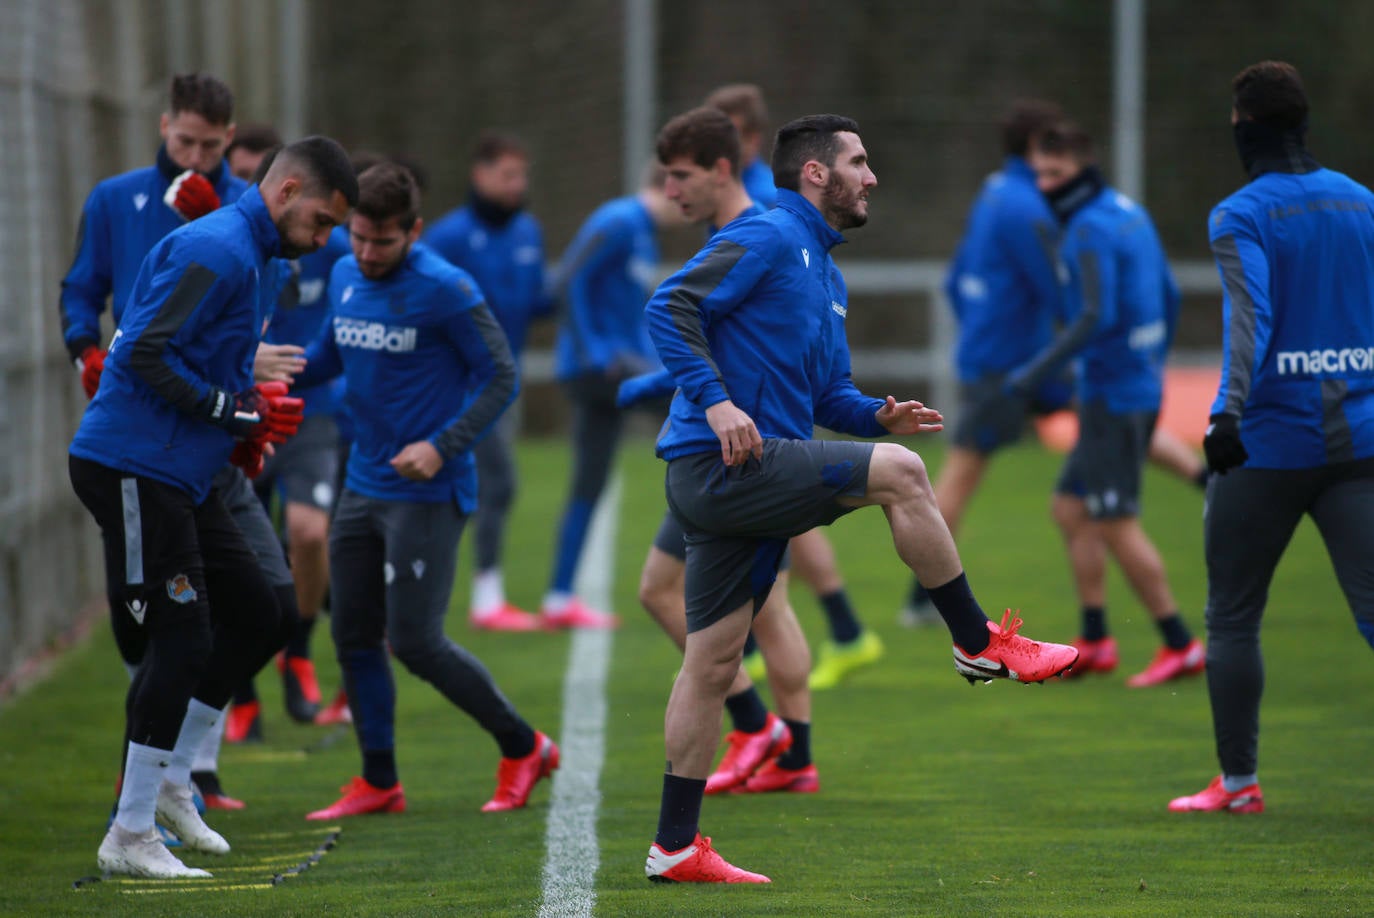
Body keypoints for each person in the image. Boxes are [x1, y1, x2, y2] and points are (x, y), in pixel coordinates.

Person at [640, 114, 1078, 884]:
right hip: (720, 464)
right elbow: (669, 307)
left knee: (709, 664)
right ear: (815, 173)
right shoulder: (772, 235)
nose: (872, 177)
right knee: (906, 474)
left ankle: (674, 845)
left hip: (739, 474)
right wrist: (714, 400)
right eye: (859, 162)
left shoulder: (826, 274)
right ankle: (977, 641)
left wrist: (875, 414)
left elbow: (826, 394)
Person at [69, 135, 357, 878]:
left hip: (181, 471)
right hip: (133, 465)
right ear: (287, 192)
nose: (324, 241)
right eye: (322, 222)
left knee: (265, 613)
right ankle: (128, 834)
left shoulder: (257, 256)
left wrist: (244, 423)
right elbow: (139, 351)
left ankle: (170, 784)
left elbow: (205, 356)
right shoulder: (222, 249)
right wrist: (228, 411)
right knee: (181, 640)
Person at [294, 162, 559, 821]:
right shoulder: (346, 275)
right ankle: (379, 780)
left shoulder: (447, 287)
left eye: (381, 240)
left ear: (413, 231)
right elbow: (331, 355)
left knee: (414, 641)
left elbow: (501, 377)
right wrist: (275, 368)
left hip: (429, 492)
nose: (364, 252)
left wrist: (443, 444)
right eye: (356, 236)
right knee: (353, 635)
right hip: (362, 484)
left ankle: (523, 745)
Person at [900, 99, 1209, 630]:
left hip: (1017, 355)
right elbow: (1062, 282)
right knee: (964, 472)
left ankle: (1205, 483)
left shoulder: (996, 190)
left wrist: (980, 326)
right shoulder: (1034, 204)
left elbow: (957, 277)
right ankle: (923, 596)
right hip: (1015, 361)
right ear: (1037, 147)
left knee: (1106, 419)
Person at [59, 72, 268, 818]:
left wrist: (249, 411)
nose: (198, 157)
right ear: (163, 125)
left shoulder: (245, 210)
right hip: (146, 429)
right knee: (147, 617)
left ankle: (186, 774)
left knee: (251, 602)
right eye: (186, 141)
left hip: (212, 437)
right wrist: (85, 345)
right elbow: (83, 289)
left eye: (213, 146)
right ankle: (151, 787)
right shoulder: (117, 199)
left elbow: (264, 311)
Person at [1169, 61, 1374, 813]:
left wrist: (1225, 416)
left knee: (1232, 615)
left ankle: (1239, 784)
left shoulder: (1240, 213)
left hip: (1268, 448)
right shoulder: (1364, 204)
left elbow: (1250, 317)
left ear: (1243, 126)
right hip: (1361, 445)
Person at [627, 106, 816, 797]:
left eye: (678, 177)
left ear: (721, 168)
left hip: (753, 452)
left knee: (772, 606)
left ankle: (788, 748)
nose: (668, 191)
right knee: (660, 590)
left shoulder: (763, 231)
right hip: (717, 451)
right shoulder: (730, 233)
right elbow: (724, 335)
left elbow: (779, 348)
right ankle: (767, 733)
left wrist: (710, 397)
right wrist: (665, 382)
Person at [1011, 121, 1203, 688]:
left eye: (1056, 173)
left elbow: (1095, 315)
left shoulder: (1086, 232)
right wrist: (1153, 359)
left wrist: (1033, 373)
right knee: (1070, 511)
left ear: (1081, 167)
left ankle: (1180, 644)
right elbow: (1168, 292)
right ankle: (1096, 638)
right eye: (1039, 173)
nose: (1047, 185)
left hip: (1113, 395)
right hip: (1131, 385)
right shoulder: (1127, 211)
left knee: (1117, 523)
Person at [536, 163, 684, 629]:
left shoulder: (642, 231)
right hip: (601, 369)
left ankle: (559, 598)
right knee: (706, 410)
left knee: (589, 480)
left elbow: (627, 312)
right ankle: (714, 558)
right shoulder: (617, 221)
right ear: (670, 187)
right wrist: (593, 351)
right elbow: (568, 280)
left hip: (619, 367)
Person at [424, 131, 553, 631]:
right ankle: (483, 599)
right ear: (480, 176)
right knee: (493, 483)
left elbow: (536, 301)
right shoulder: (447, 237)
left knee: (482, 487)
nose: (517, 185)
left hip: (506, 380)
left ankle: (467, 596)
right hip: (461, 384)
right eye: (507, 176)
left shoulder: (528, 232)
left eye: (521, 176)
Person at [704, 83, 777, 209]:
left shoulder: (768, 200)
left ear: (754, 139)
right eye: (712, 134)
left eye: (728, 135)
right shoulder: (705, 189)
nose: (716, 143)